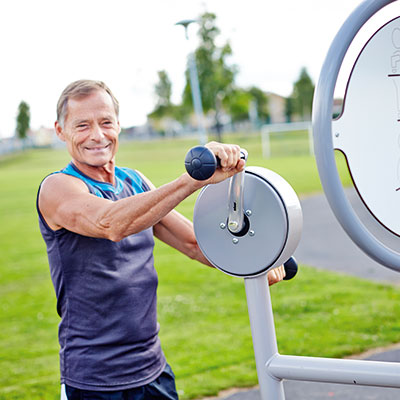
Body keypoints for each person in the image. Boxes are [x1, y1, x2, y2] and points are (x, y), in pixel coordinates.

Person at [36, 80, 286, 400]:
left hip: (153, 371)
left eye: (106, 122)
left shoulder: (136, 182)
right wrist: (194, 178)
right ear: (60, 130)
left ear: (119, 125)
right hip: (95, 380)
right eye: (82, 125)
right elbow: (110, 222)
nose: (97, 135)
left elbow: (194, 244)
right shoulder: (58, 187)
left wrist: (254, 264)